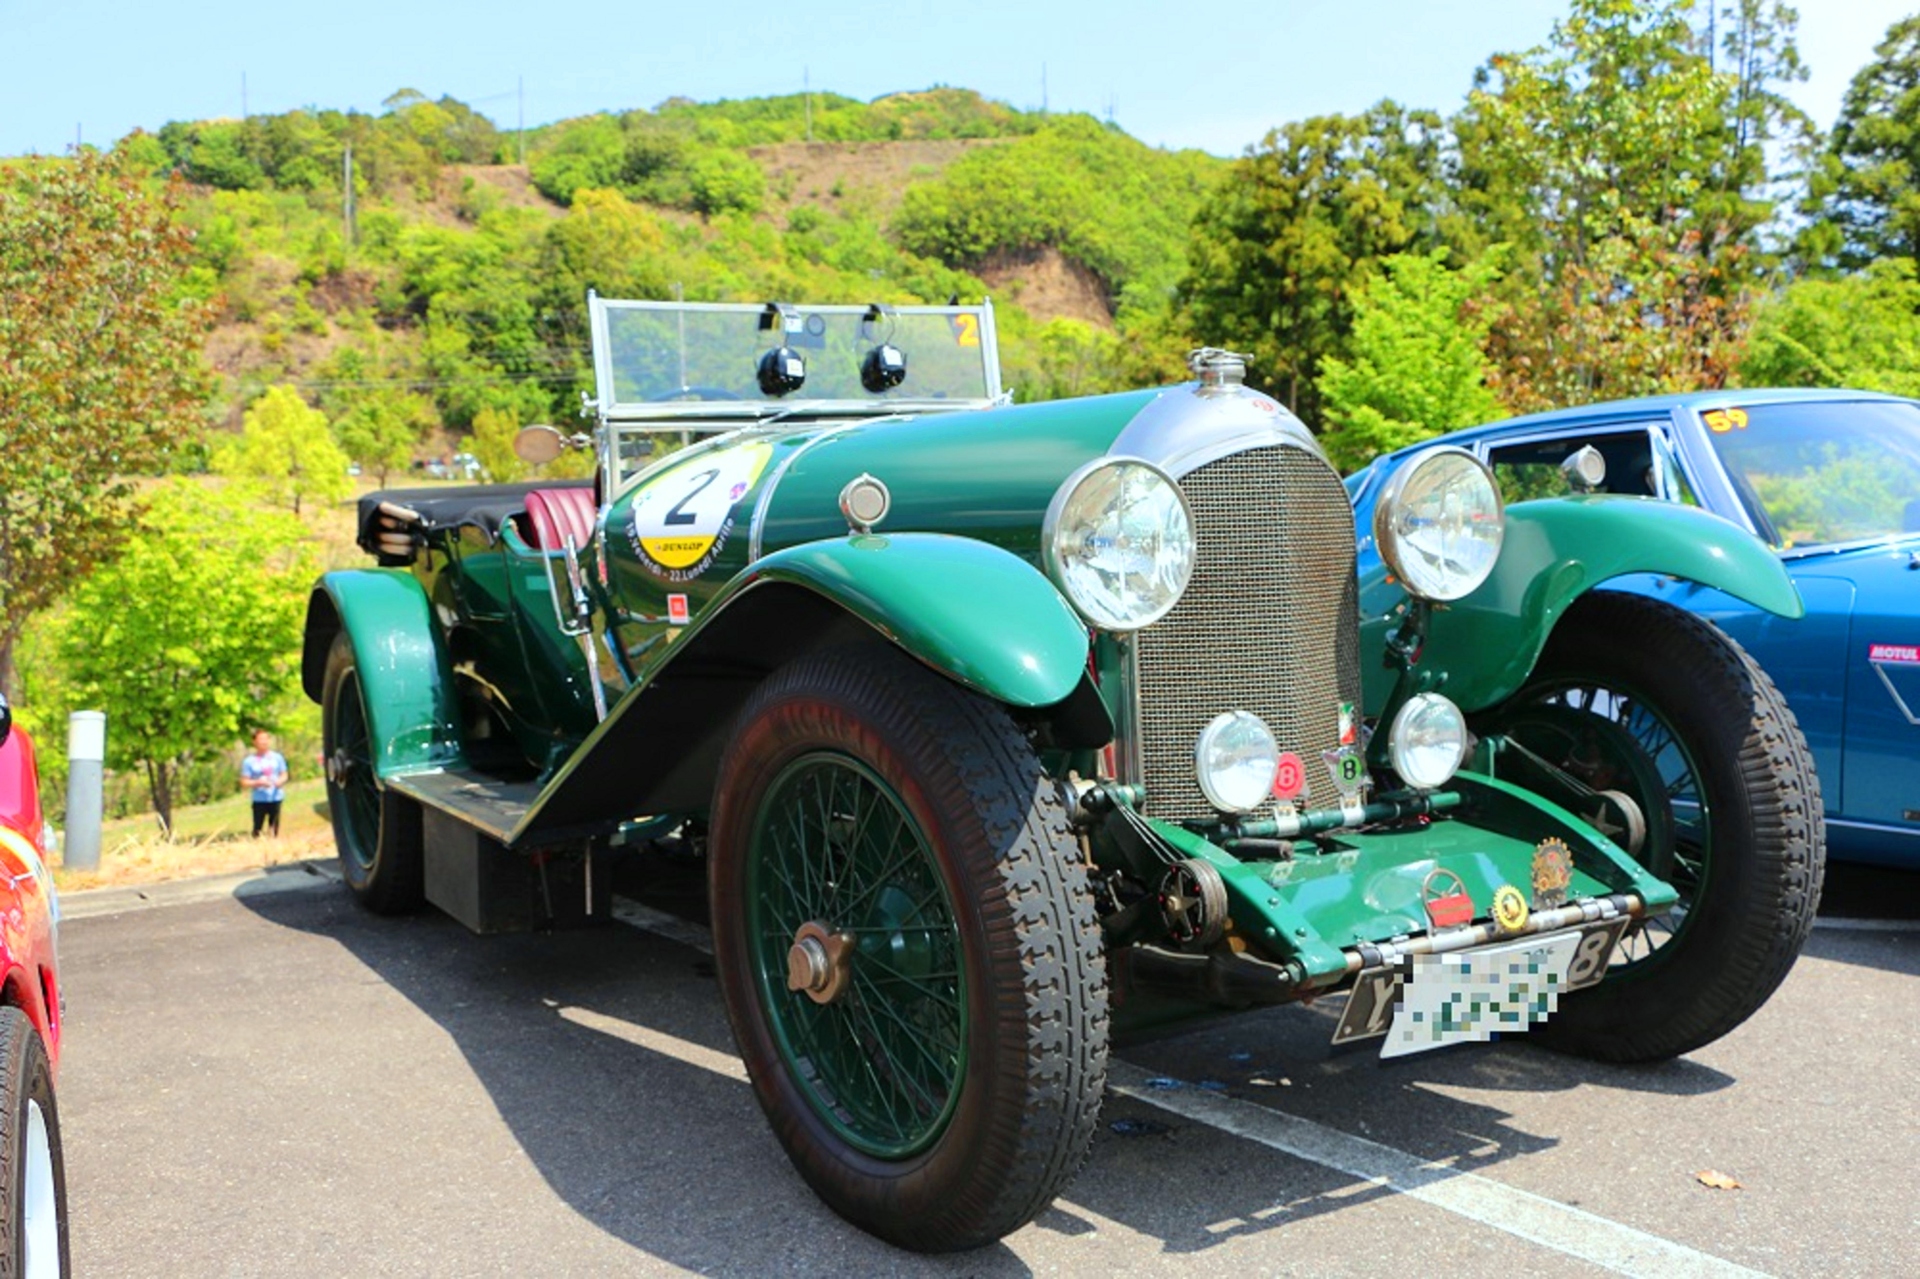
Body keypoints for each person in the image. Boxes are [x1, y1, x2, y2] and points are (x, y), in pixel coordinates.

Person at [240, 730, 289, 838]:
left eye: (266, 739)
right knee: (257, 828)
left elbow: (284, 774)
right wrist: (258, 782)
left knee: (274, 827)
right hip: (259, 799)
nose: (264, 742)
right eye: (261, 739)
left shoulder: (277, 757)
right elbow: (244, 782)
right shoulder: (249, 761)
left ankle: (273, 846)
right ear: (254, 742)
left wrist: (280, 781)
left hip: (276, 797)